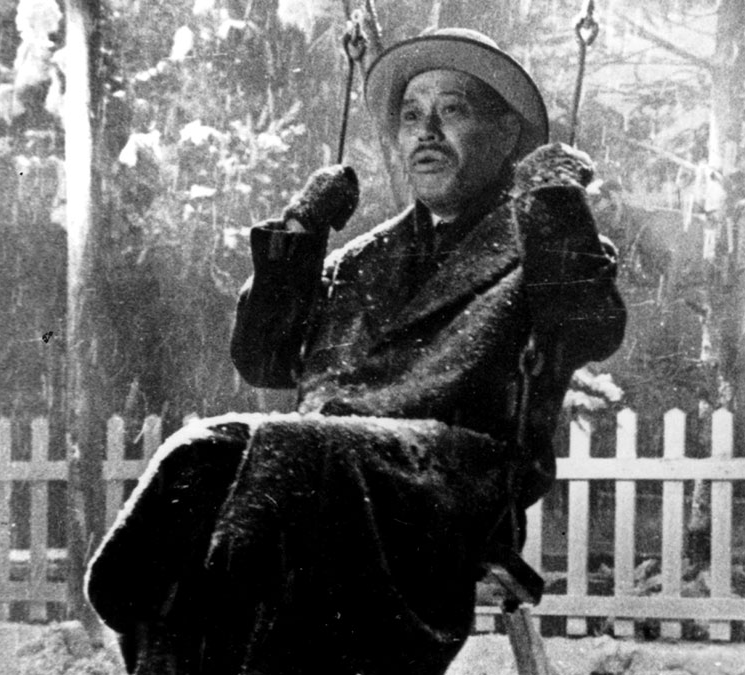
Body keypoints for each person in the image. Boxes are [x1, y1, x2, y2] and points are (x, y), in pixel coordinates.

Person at [85, 28, 625, 675]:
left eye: (452, 110)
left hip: (448, 479)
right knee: (204, 450)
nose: (426, 132)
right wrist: (300, 231)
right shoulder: (361, 260)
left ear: (507, 133)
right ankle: (159, 644)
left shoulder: (542, 242)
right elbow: (262, 358)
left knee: (288, 456)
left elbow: (591, 326)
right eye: (411, 116)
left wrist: (555, 198)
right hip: (333, 470)